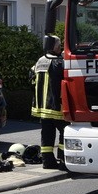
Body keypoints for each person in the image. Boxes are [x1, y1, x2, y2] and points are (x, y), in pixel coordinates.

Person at [32, 35, 66, 170]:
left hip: (42, 107)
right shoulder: (59, 62)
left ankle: (47, 162)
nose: (60, 48)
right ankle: (63, 160)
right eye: (59, 45)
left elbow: (32, 78)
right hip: (55, 106)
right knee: (65, 132)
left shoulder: (39, 61)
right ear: (54, 47)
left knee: (47, 134)